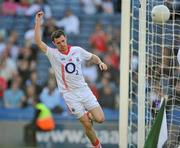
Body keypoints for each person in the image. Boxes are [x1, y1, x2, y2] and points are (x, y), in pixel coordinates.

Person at [34, 11, 108, 148]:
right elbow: (38, 42)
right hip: (69, 94)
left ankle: (89, 115)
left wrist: (100, 63)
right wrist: (38, 22)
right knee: (86, 124)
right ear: (54, 43)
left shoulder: (77, 50)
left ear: (66, 38)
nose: (61, 44)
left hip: (84, 89)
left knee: (100, 119)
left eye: (63, 41)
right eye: (58, 43)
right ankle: (97, 146)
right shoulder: (53, 54)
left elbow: (92, 57)